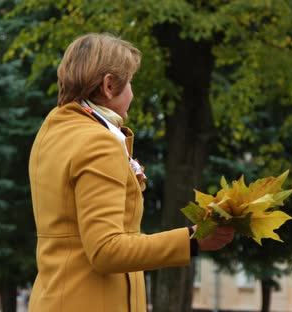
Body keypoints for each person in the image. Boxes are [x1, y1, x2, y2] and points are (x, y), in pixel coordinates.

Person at [27, 33, 234, 312]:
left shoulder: (52, 132)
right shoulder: (98, 141)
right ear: (109, 85)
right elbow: (106, 250)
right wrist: (192, 239)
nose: (133, 95)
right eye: (130, 83)